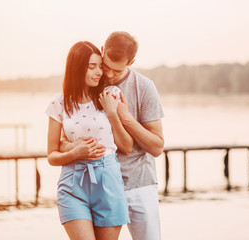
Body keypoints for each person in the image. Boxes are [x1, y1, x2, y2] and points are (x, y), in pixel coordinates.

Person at [61, 31, 165, 240]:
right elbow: (66, 137)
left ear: (131, 62)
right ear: (102, 51)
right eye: (105, 66)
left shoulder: (144, 87)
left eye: (116, 71)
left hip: (138, 183)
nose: (107, 75)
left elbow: (157, 147)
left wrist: (125, 117)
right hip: (99, 184)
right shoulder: (91, 82)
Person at [45, 41, 132, 240]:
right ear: (77, 68)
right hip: (73, 184)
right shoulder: (58, 103)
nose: (99, 72)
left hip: (108, 180)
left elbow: (126, 146)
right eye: (92, 67)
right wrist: (74, 153)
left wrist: (112, 114)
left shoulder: (111, 95)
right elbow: (52, 156)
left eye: (100, 66)